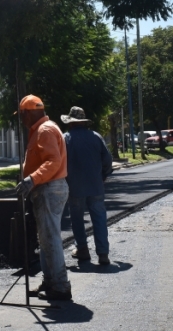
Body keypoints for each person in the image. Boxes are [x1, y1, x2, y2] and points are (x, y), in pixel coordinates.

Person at [15, 95, 72, 301]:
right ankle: (50, 281)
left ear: (28, 112)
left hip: (49, 188)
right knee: (45, 239)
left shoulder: (45, 130)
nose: (21, 120)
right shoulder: (43, 129)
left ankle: (60, 286)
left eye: (22, 115)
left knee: (50, 239)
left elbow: (53, 162)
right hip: (47, 188)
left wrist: (32, 179)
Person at [61, 106, 113, 265]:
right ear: (84, 122)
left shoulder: (65, 138)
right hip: (96, 186)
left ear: (70, 123)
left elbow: (60, 163)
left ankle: (82, 249)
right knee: (99, 218)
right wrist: (104, 175)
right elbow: (108, 160)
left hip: (74, 187)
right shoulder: (96, 137)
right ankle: (103, 253)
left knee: (77, 219)